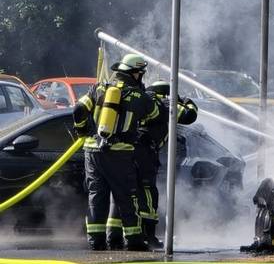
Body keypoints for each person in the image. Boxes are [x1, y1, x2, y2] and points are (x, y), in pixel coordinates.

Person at [73, 53, 159, 251]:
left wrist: (82, 130)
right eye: (141, 74)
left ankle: (96, 241)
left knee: (96, 196)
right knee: (127, 197)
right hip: (119, 153)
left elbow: (78, 109)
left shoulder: (99, 88)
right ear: (135, 73)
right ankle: (134, 241)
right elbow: (154, 115)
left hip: (92, 151)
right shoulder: (139, 96)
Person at [106, 80, 198, 250]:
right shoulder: (164, 103)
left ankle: (114, 237)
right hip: (144, 153)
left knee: (122, 192)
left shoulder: (141, 101)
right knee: (147, 193)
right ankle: (148, 236)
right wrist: (185, 100)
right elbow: (190, 115)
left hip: (123, 152)